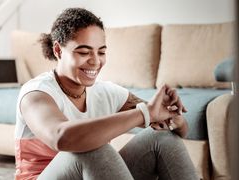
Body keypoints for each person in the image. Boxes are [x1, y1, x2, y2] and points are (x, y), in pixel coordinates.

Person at [15, 7, 199, 180]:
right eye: (84, 52)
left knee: (161, 137)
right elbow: (60, 137)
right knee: (93, 148)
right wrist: (145, 113)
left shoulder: (107, 92)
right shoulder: (36, 93)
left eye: (101, 52)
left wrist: (174, 118)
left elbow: (167, 123)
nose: (95, 62)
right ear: (58, 50)